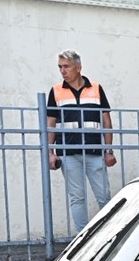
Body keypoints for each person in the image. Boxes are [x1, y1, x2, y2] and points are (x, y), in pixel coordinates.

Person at [46, 50, 116, 232]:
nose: (62, 71)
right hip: (68, 153)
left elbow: (106, 121)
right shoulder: (56, 91)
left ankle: (109, 236)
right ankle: (82, 238)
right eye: (60, 67)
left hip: (94, 151)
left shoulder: (96, 88)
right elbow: (50, 124)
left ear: (78, 67)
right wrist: (50, 153)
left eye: (66, 66)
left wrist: (109, 151)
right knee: (77, 198)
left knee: (104, 196)